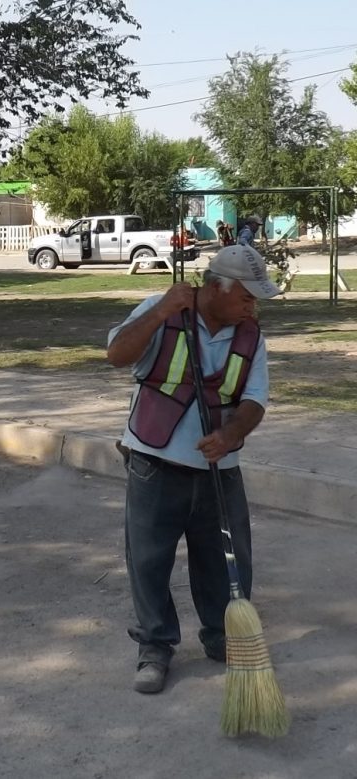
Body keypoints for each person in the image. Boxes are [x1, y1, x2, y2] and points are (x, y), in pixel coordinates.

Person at [106, 244, 280, 695]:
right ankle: (155, 647)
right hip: (154, 461)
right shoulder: (164, 310)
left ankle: (223, 638)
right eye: (246, 296)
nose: (252, 306)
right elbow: (118, 354)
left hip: (220, 467)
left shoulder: (250, 335)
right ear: (217, 287)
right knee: (149, 560)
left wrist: (232, 434)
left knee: (225, 562)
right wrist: (162, 309)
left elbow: (255, 400)